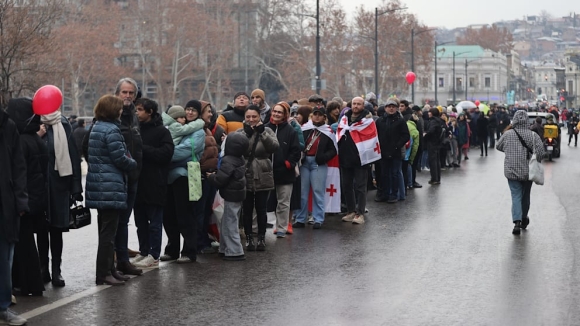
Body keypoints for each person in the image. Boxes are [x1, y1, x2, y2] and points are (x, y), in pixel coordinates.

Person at [86, 95, 137, 286]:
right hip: (110, 186)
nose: (121, 111)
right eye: (119, 108)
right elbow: (121, 158)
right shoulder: (111, 130)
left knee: (106, 232)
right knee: (109, 234)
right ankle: (103, 273)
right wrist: (133, 163)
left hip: (101, 187)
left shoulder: (97, 127)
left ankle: (110, 270)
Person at [38, 101, 83, 288]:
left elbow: (73, 157)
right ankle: (43, 269)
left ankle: (57, 270)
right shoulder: (33, 125)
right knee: (41, 229)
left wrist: (75, 188)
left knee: (57, 230)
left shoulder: (63, 124)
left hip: (59, 186)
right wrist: (37, 136)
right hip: (39, 186)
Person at [6, 98, 46, 297]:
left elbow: (19, 173)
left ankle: (26, 284)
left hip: (24, 199)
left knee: (23, 244)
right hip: (36, 198)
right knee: (29, 242)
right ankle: (33, 283)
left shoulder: (20, 140)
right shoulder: (35, 138)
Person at [130, 98, 174, 269]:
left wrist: (143, 149)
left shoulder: (162, 131)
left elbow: (166, 154)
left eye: (140, 109)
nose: (137, 113)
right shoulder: (134, 130)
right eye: (136, 109)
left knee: (154, 222)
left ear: (150, 112)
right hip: (137, 181)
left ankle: (154, 254)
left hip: (155, 182)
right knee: (140, 221)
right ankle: (143, 251)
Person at [0, 97, 29, 326]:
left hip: (5, 204)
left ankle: (2, 307)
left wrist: (20, 200)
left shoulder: (7, 126)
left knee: (4, 259)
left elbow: (19, 166)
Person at [236, 105, 279, 251]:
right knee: (247, 208)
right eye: (248, 117)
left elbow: (274, 147)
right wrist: (246, 135)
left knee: (261, 208)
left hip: (263, 171)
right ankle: (248, 237)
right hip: (246, 172)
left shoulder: (267, 130)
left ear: (259, 116)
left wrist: (262, 134)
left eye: (254, 116)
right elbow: (235, 150)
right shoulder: (239, 132)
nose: (251, 119)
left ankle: (261, 237)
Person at [496, 110, 545, 235]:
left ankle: (517, 222)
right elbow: (541, 153)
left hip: (512, 170)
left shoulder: (508, 134)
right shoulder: (533, 135)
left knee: (516, 195)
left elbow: (498, 146)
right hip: (528, 171)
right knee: (526, 195)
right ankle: (524, 218)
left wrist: (510, 151)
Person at [113, 77, 144, 277]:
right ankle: (113, 262)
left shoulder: (134, 114)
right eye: (124, 92)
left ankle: (123, 260)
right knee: (113, 222)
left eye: (131, 93)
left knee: (124, 220)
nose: (127, 96)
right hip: (116, 177)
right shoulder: (109, 114)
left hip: (133, 176)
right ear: (117, 94)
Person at [337, 97, 381, 224]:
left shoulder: (368, 120)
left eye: (358, 104)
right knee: (346, 185)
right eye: (354, 104)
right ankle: (351, 211)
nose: (356, 106)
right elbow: (340, 134)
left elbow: (371, 137)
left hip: (361, 159)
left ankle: (360, 212)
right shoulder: (344, 119)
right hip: (345, 157)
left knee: (360, 187)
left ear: (363, 106)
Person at [207, 132, 249, 261]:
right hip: (238, 194)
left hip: (230, 195)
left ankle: (235, 251)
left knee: (230, 223)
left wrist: (211, 177)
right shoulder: (240, 158)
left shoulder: (228, 160)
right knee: (227, 221)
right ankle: (225, 248)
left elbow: (221, 179)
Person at [293, 106, 337, 229]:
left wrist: (323, 157)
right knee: (302, 192)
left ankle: (318, 219)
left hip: (318, 164)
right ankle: (300, 219)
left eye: (320, 114)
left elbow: (333, 150)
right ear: (312, 116)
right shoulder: (304, 129)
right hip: (304, 163)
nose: (317, 116)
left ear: (324, 117)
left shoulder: (328, 131)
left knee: (318, 192)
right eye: (315, 114)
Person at [265, 102, 301, 238]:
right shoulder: (265, 128)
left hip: (285, 173)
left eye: (279, 112)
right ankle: (259, 229)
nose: (276, 114)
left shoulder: (290, 131)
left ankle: (281, 228)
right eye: (274, 111)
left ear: (285, 115)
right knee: (265, 202)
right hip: (266, 172)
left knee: (283, 202)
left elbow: (296, 151)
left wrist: (288, 164)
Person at [375, 98, 410, 203]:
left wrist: (398, 145)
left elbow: (405, 135)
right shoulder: (380, 121)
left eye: (393, 107)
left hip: (395, 152)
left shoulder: (400, 120)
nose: (391, 108)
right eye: (389, 106)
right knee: (384, 174)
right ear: (385, 108)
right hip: (383, 151)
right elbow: (375, 134)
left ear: (396, 108)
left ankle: (394, 194)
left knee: (395, 174)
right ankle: (384, 194)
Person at [424, 108, 443, 185]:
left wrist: (425, 134)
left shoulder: (433, 121)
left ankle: (434, 178)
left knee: (433, 161)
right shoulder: (438, 120)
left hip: (432, 142)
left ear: (432, 113)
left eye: (429, 112)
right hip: (437, 142)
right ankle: (437, 178)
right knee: (437, 161)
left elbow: (431, 131)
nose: (428, 113)